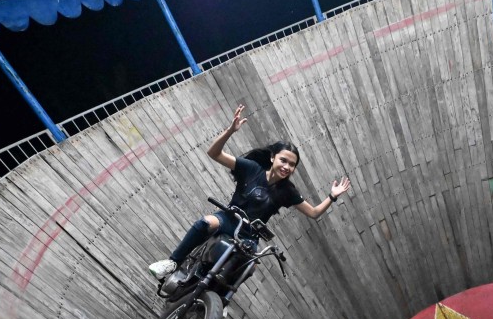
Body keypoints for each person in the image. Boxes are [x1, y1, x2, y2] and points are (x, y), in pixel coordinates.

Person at [148, 105, 351, 279]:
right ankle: (173, 263)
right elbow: (214, 153)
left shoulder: (288, 191)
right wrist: (230, 131)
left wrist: (332, 196)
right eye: (283, 160)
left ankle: (222, 297)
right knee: (206, 223)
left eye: (292, 165)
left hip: (249, 235)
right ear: (273, 158)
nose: (287, 166)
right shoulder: (251, 168)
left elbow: (314, 213)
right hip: (228, 218)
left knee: (250, 267)